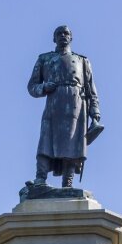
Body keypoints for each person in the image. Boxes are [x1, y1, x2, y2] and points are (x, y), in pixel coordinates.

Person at [28, 25, 102, 188]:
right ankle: (40, 179)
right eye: (59, 33)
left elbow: (91, 90)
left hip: (76, 104)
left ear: (71, 37)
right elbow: (32, 86)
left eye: (66, 33)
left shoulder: (82, 61)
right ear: (54, 38)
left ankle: (67, 183)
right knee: (46, 141)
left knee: (72, 144)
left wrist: (95, 114)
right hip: (54, 104)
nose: (63, 35)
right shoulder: (44, 59)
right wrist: (44, 87)